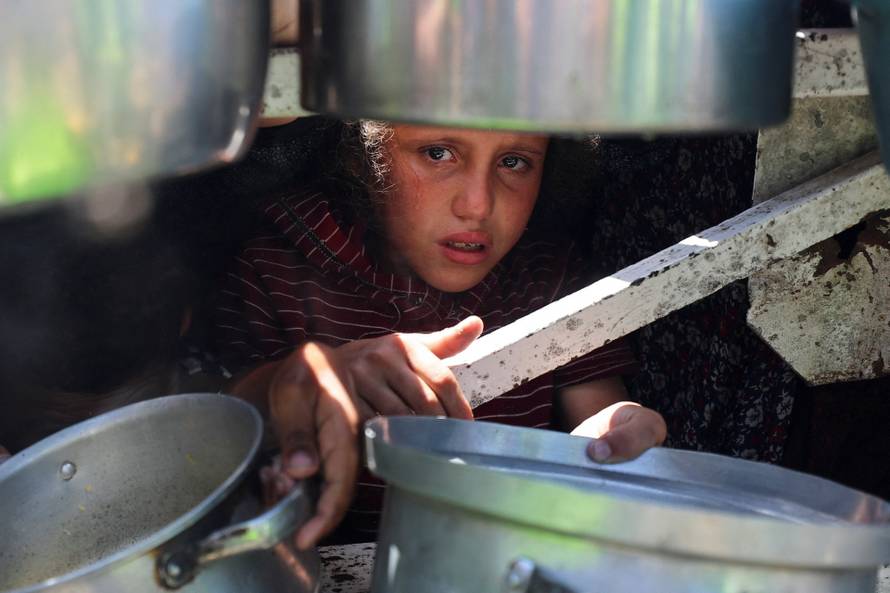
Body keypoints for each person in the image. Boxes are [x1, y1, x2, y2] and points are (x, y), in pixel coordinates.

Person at [213, 120, 667, 540]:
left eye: (514, 162)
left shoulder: (550, 276)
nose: (478, 205)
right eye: (437, 153)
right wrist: (301, 381)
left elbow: (598, 414)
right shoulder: (275, 268)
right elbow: (207, 430)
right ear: (359, 153)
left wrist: (614, 435)